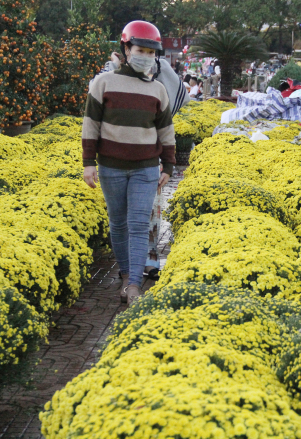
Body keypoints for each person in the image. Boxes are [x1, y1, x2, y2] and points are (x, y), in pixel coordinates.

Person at [82, 20, 176, 305]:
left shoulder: (158, 90)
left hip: (146, 167)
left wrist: (169, 166)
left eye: (151, 53)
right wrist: (89, 162)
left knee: (137, 224)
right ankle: (125, 274)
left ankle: (134, 284)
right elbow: (91, 125)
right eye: (140, 50)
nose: (145, 57)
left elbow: (166, 131)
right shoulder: (103, 83)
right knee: (118, 224)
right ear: (126, 48)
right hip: (111, 167)